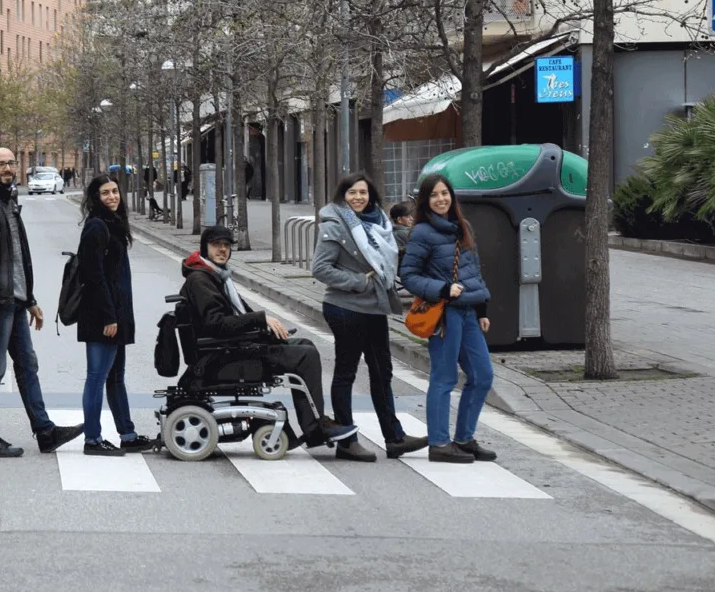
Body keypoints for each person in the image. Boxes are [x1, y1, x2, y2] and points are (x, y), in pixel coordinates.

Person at [182, 225, 358, 449]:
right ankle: (315, 427)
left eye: (226, 245)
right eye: (217, 245)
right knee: (306, 356)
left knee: (305, 344)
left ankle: (316, 423)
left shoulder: (214, 275)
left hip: (231, 347)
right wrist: (260, 319)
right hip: (223, 356)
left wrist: (263, 329)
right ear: (205, 248)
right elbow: (216, 324)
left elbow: (232, 318)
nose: (223, 250)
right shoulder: (201, 280)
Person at [0, 147, 83, 457]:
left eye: (10, 163)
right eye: (1, 164)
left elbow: (17, 260)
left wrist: (29, 299)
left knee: (28, 365)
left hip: (16, 302)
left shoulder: (9, 203)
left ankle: (45, 432)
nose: (7, 167)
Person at [312, 173, 429, 462]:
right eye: (352, 192)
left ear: (371, 195)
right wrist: (360, 282)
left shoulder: (381, 225)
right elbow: (320, 268)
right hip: (345, 308)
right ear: (343, 195)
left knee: (382, 373)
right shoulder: (335, 225)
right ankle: (347, 440)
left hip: (375, 307)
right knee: (346, 372)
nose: (358, 197)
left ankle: (395, 437)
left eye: (363, 192)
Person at [400, 174, 496, 464]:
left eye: (445, 193)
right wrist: (442, 289)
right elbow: (408, 275)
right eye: (434, 195)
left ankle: (464, 438)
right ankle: (440, 444)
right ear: (426, 202)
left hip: (468, 312)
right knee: (444, 378)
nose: (441, 199)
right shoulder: (422, 233)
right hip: (443, 313)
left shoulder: (462, 228)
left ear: (452, 196)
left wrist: (481, 310)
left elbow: (473, 270)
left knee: (482, 376)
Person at [75, 175, 154, 456]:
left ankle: (128, 434)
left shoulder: (113, 224)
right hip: (102, 317)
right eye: (105, 193)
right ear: (95, 197)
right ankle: (92, 440)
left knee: (116, 377)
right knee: (96, 377)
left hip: (116, 315)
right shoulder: (96, 226)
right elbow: (93, 276)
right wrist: (109, 317)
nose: (112, 197)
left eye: (115, 191)